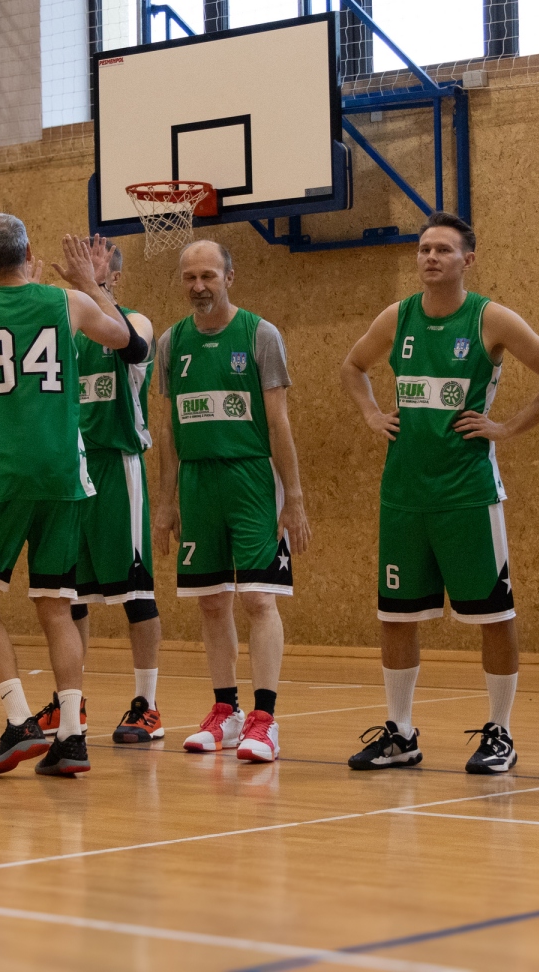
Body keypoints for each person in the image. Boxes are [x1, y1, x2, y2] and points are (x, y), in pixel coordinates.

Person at [339, 212, 539, 774]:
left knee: (494, 616)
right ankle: (400, 733)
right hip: (403, 495)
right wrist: (371, 413)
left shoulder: (491, 318)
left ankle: (501, 732)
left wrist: (507, 427)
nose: (430, 257)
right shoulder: (397, 317)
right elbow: (352, 366)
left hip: (468, 493)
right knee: (396, 617)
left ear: (467, 260)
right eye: (424, 248)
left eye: (443, 249)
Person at [0, 215, 135, 777]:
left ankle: (19, 720)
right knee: (56, 604)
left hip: (2, 474)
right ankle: (72, 736)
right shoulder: (67, 303)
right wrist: (90, 284)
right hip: (62, 472)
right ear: (30, 253)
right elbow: (127, 341)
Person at [153, 239, 311, 764]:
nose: (199, 286)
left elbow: (279, 422)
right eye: (190, 277)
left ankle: (265, 720)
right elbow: (169, 429)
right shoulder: (171, 343)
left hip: (251, 479)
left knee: (258, 598)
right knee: (211, 600)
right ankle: (226, 711)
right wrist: (166, 502)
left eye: (208, 276)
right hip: (198, 483)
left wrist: (294, 497)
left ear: (229, 276)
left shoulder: (260, 335)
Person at [49, 237, 164, 744]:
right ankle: (70, 702)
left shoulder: (136, 322)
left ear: (115, 276)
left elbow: (134, 346)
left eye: (98, 267)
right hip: (69, 470)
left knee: (135, 592)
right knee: (69, 594)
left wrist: (88, 287)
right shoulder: (66, 331)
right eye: (82, 263)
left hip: (117, 464)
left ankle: (147, 705)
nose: (87, 271)